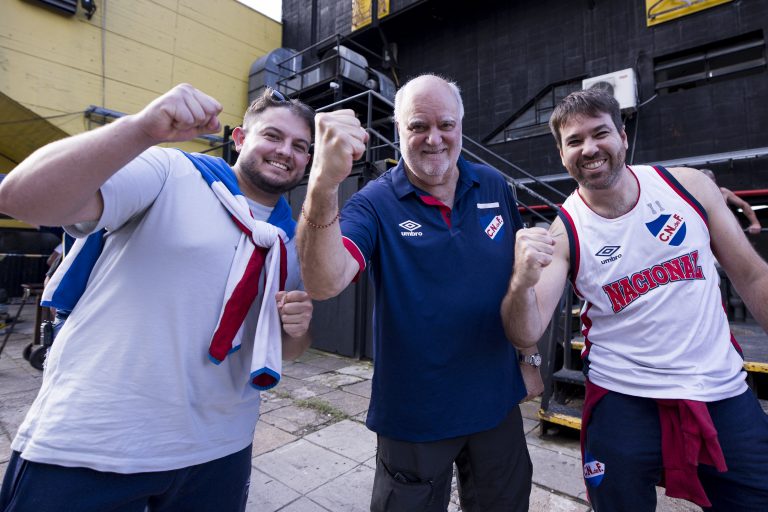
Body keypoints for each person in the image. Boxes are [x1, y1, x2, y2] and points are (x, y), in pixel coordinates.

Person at [0, 84, 314, 512]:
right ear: (240, 138)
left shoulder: (291, 239)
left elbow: (287, 348)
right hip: (95, 441)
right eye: (272, 136)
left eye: (300, 146)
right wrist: (141, 129)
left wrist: (298, 330)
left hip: (221, 448)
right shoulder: (171, 171)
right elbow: (23, 198)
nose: (285, 151)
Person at [501, 88, 768, 511]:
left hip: (718, 388)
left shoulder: (687, 187)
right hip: (623, 397)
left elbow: (753, 275)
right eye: (574, 141)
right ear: (561, 154)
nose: (590, 148)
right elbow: (525, 330)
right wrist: (520, 280)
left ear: (623, 137)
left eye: (600, 133)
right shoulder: (565, 231)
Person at [297, 73, 541, 512]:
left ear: (460, 126)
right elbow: (324, 282)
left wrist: (529, 358)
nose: (434, 139)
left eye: (445, 125)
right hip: (415, 417)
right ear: (398, 130)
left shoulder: (492, 184)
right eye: (418, 126)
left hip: (496, 403)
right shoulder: (374, 203)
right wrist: (323, 184)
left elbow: (517, 278)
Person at [700, 168, 762, 235]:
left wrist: (755, 223)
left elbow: (744, 205)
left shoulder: (723, 192)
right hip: (709, 233)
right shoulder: (695, 196)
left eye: (709, 180)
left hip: (731, 231)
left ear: (713, 180)